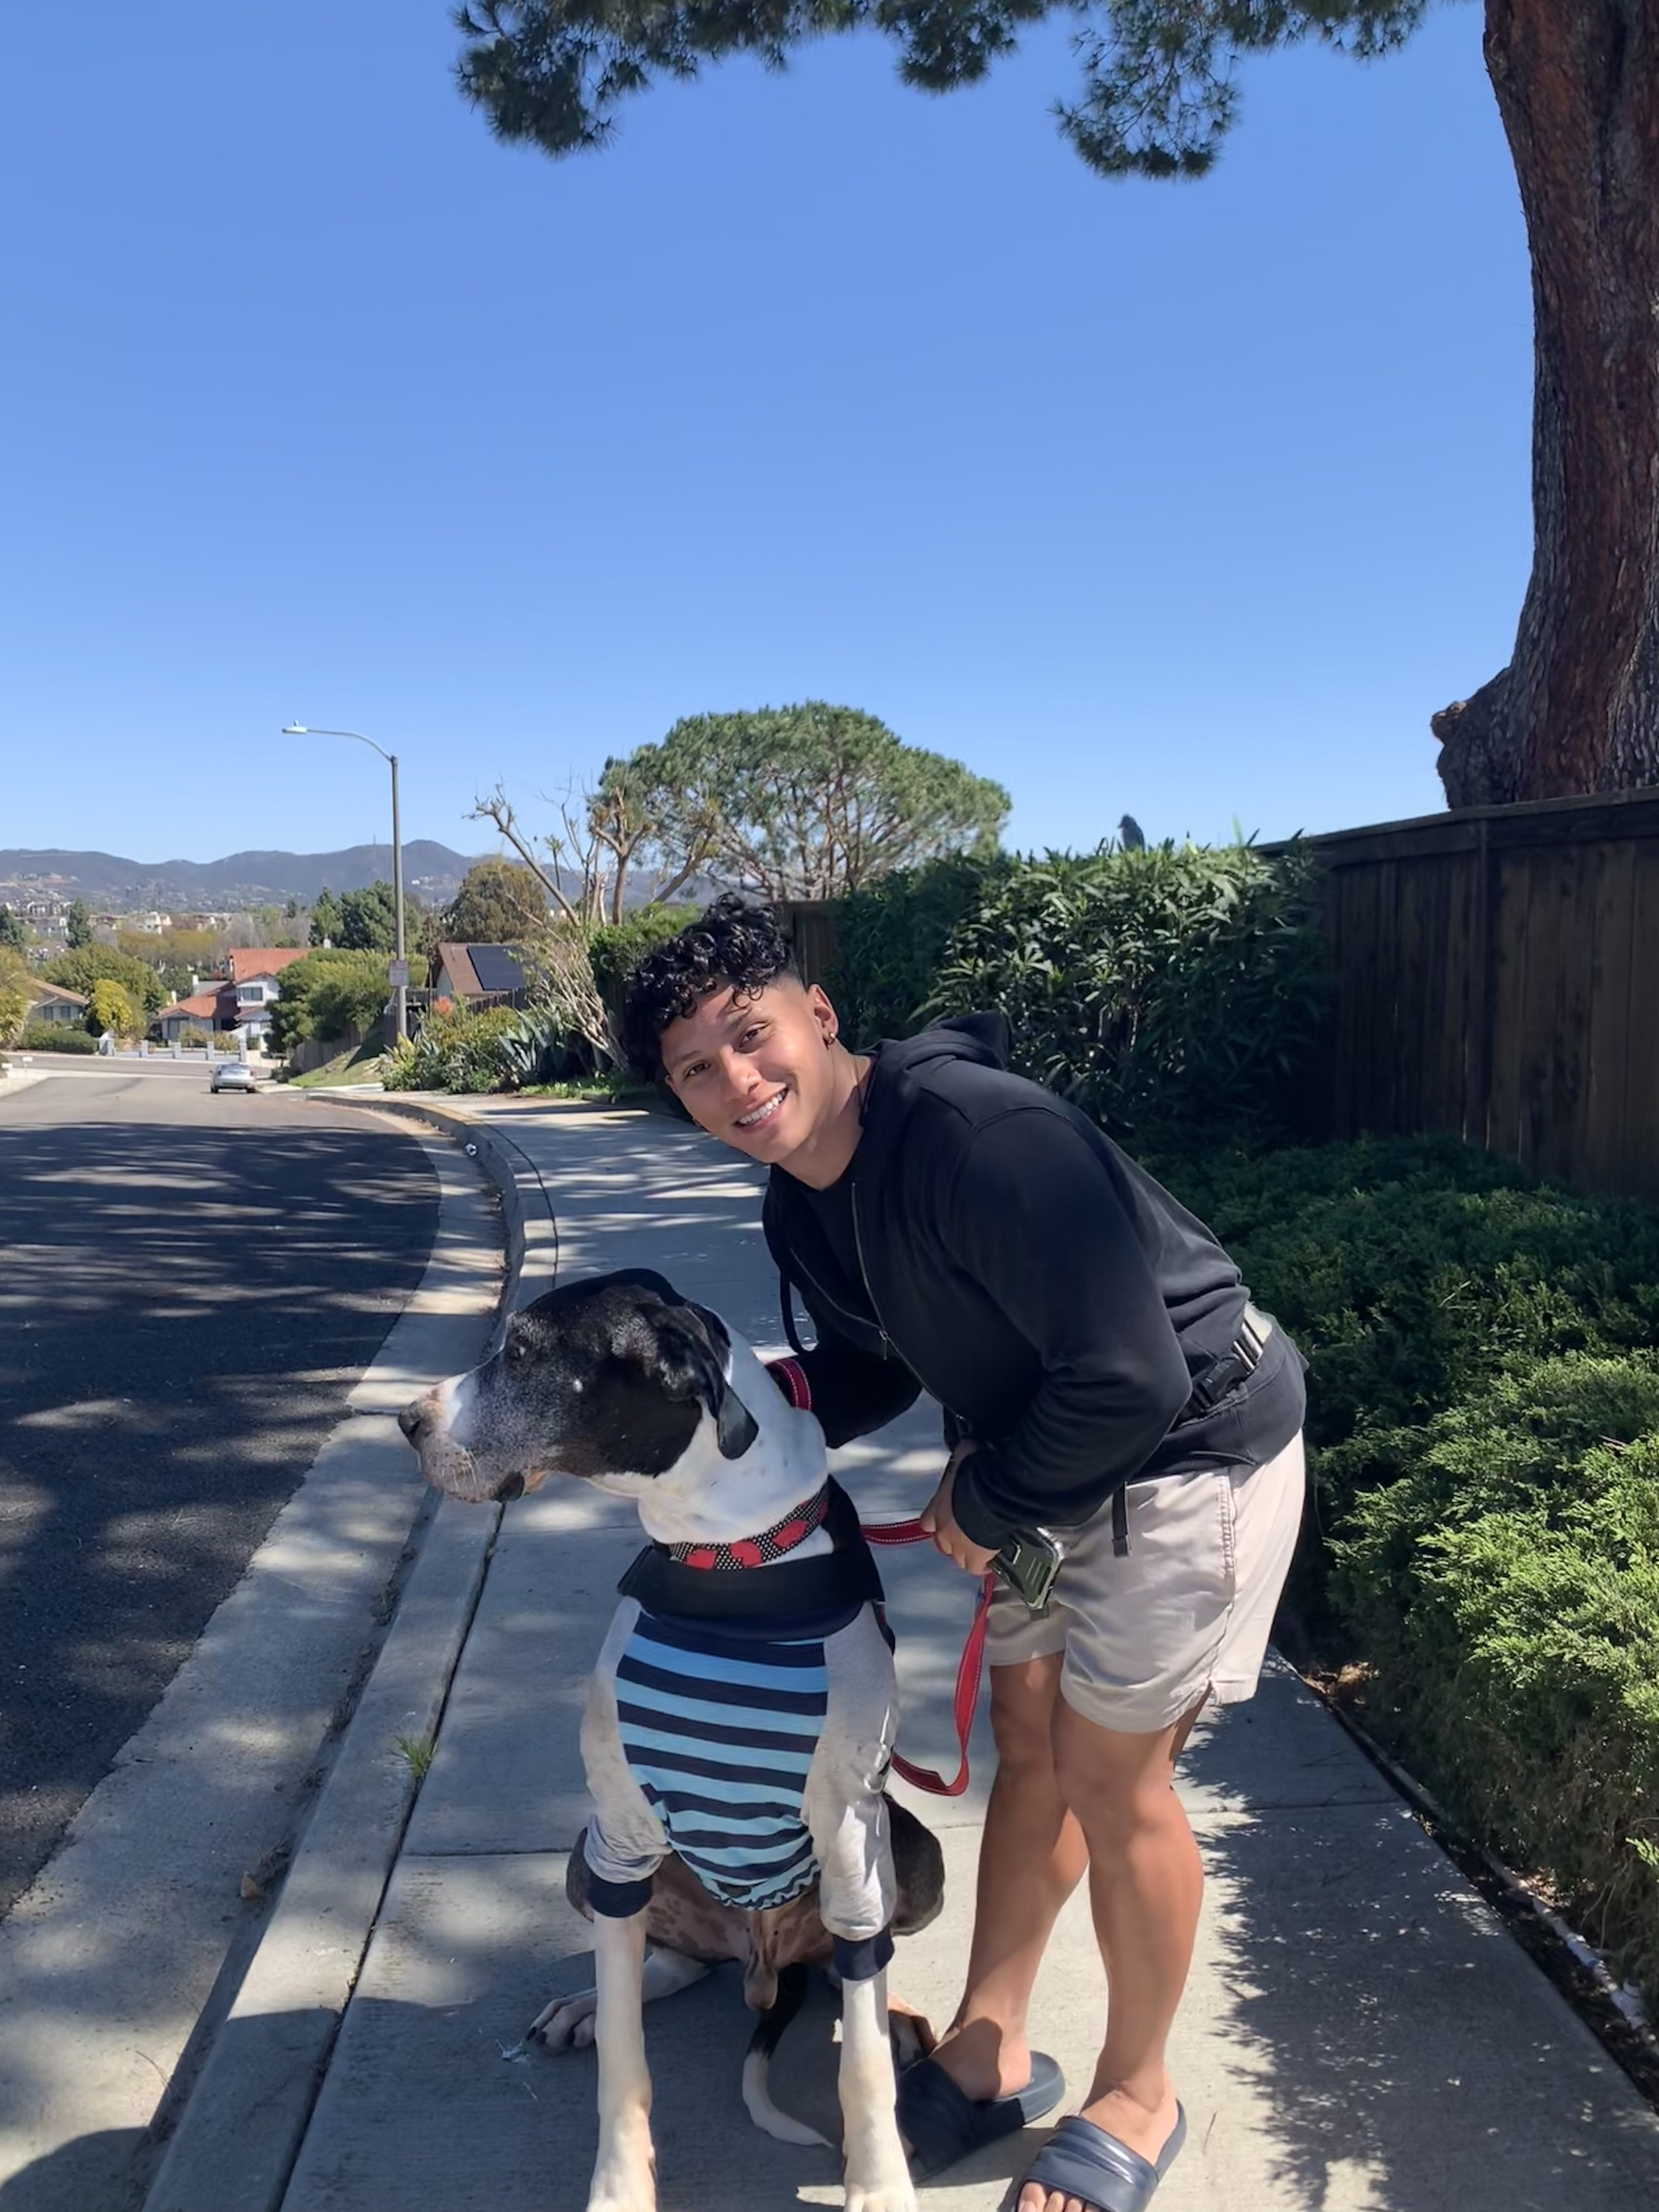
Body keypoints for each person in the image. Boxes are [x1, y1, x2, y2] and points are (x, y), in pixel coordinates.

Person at [620, 895, 1307, 2212]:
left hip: (1187, 1455)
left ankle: (1135, 2091)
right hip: (1050, 1454)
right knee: (1030, 1743)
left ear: (817, 1017)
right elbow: (870, 1369)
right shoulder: (805, 1201)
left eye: (751, 1037)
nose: (737, 1083)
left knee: (1116, 1781)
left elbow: (1131, 1375)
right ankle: (992, 2043)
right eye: (695, 1068)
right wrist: (709, 1424)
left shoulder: (980, 1142)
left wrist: (983, 1503)